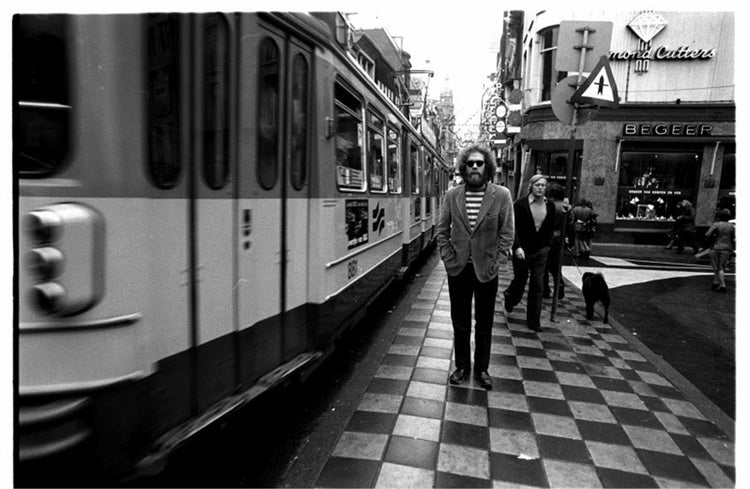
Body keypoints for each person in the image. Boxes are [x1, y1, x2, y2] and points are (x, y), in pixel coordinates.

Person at [436, 143, 515, 389]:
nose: (474, 167)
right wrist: (449, 259)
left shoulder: (501, 195)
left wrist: (497, 261)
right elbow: (441, 231)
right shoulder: (452, 195)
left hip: (486, 270)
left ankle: (481, 370)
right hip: (458, 269)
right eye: (469, 163)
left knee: (484, 322)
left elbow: (507, 233)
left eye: (479, 163)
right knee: (459, 321)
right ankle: (462, 367)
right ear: (463, 167)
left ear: (487, 166)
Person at [503, 174, 556, 331]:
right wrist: (517, 246)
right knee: (520, 279)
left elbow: (551, 227)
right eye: (537, 185)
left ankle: (534, 322)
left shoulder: (550, 206)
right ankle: (510, 297)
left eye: (543, 185)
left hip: (540, 251)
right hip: (522, 251)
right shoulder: (520, 204)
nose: (540, 188)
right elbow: (513, 227)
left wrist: (547, 245)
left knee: (537, 285)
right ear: (531, 186)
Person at [543, 183, 569, 299]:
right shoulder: (566, 207)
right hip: (560, 239)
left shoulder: (549, 205)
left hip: (548, 238)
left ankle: (545, 290)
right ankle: (560, 286)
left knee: (544, 265)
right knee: (556, 266)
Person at [704, 208, 735, 292]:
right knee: (722, 266)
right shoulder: (731, 226)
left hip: (716, 247)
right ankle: (715, 283)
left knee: (717, 267)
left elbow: (707, 234)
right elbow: (733, 238)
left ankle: (722, 285)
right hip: (727, 248)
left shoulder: (716, 224)